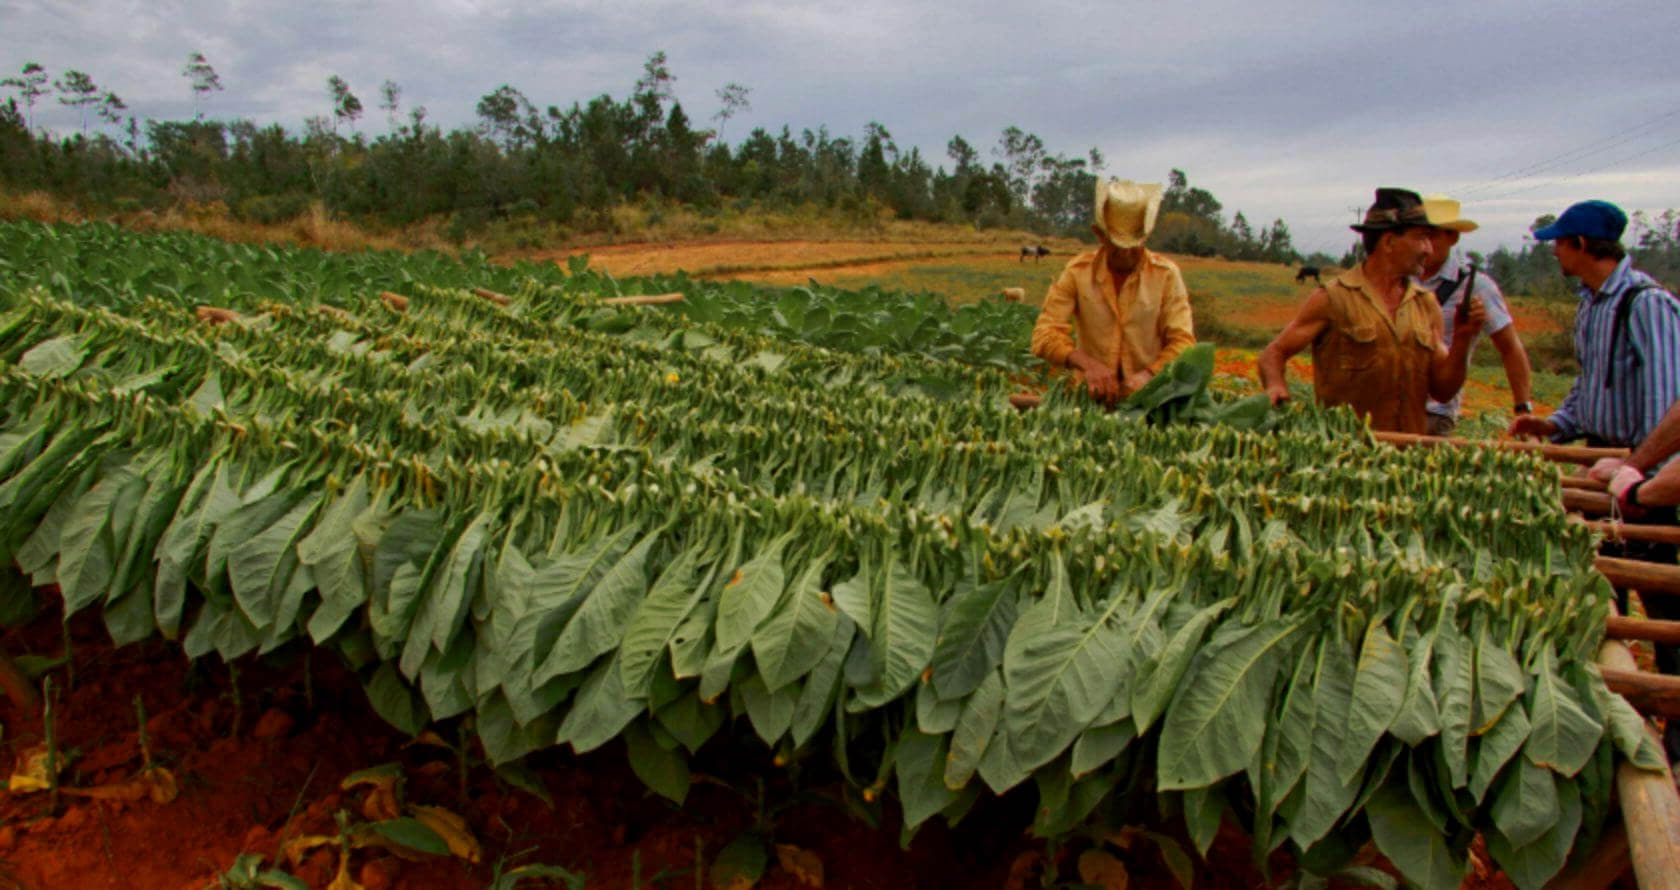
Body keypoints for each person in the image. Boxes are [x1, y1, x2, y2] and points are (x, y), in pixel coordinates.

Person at [1257, 187, 1485, 433]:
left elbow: (1443, 392)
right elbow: (1274, 353)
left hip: (1406, 458)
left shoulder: (1426, 305)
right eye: (1421, 238)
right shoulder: (1334, 298)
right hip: (1346, 455)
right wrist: (1275, 385)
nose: (1428, 249)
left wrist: (1463, 339)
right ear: (1388, 242)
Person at [1506, 200, 1680, 448]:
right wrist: (1553, 425)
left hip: (1637, 461)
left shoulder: (1646, 304)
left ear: (1581, 243)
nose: (1555, 252)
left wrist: (1637, 468)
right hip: (1601, 452)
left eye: (1560, 243)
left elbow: (1666, 400)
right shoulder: (1591, 303)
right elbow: (1592, 386)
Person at [1031, 179, 1195, 404]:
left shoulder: (1166, 275)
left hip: (1150, 402)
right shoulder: (1078, 272)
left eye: (1133, 245)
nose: (1126, 254)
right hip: (1090, 398)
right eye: (1117, 246)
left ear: (1146, 235)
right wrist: (1088, 365)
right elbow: (1045, 334)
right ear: (1099, 234)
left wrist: (1149, 375)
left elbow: (1183, 342)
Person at [1417, 195, 1535, 436]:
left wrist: (1523, 408)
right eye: (1419, 235)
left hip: (1435, 412)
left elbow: (1510, 347)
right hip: (1387, 406)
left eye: (1433, 234)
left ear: (1453, 237)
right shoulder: (1399, 278)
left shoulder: (1475, 286)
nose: (1425, 244)